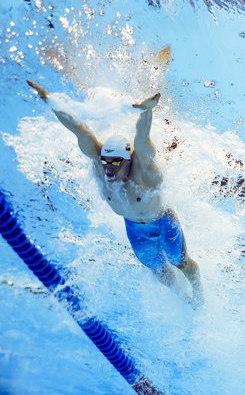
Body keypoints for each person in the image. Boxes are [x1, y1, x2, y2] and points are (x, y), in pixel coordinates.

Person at [27, 79, 204, 308]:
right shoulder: (100, 163)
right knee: (157, 270)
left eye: (116, 162)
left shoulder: (145, 172)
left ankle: (199, 293)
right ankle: (184, 298)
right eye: (106, 161)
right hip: (133, 227)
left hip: (161, 221)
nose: (109, 168)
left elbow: (142, 139)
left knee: (181, 263)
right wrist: (50, 100)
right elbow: (78, 129)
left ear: (129, 160)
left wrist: (146, 111)